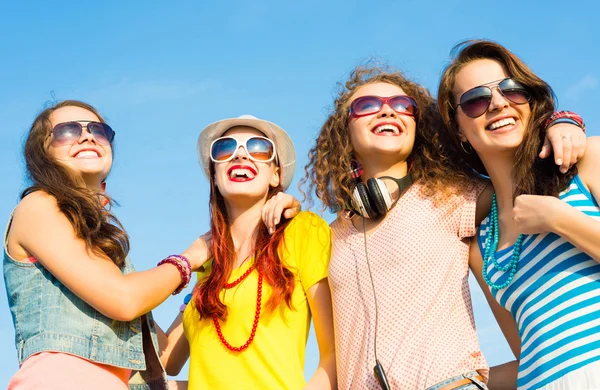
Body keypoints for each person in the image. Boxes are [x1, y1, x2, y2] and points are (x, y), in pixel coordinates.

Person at [262, 63, 586, 388]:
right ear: (343, 132)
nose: (388, 112)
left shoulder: (454, 197)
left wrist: (560, 122)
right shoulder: (327, 236)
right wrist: (279, 203)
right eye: (367, 106)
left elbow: (519, 172)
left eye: (402, 106)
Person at [3, 100, 210, 390]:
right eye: (68, 130)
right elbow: (124, 300)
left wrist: (209, 280)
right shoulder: (37, 207)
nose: (87, 136)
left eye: (98, 131)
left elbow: (166, 356)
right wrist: (193, 256)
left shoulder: (104, 258)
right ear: (43, 153)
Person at [438, 39, 600, 390]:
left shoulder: (588, 159)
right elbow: (526, 353)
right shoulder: (481, 243)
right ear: (458, 130)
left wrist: (560, 219)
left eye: (512, 90)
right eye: (476, 100)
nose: (497, 103)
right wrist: (463, 383)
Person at [159, 115, 336, 390]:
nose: (240, 155)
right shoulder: (207, 265)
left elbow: (334, 356)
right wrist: (124, 274)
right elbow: (167, 359)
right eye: (225, 148)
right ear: (214, 176)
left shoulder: (304, 231)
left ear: (276, 174)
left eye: (258, 147)